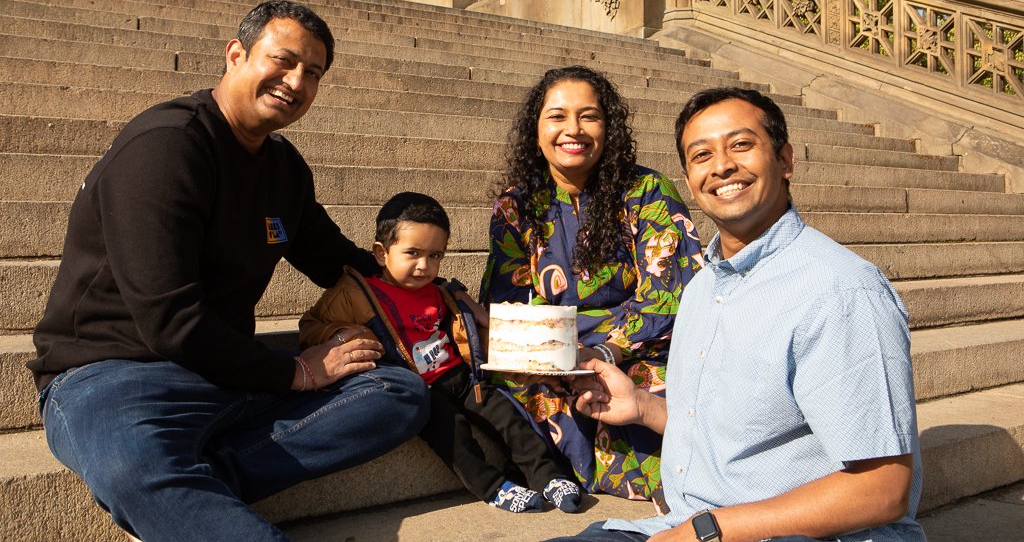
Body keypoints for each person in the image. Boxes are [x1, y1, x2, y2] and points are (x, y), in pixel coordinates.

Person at [28, 0, 430, 542]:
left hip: (225, 375)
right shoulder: (165, 148)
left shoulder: (283, 168)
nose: (295, 82)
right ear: (236, 54)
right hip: (110, 376)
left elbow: (335, 260)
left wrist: (442, 298)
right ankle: (178, 486)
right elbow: (171, 323)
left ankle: (197, 485)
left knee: (397, 392)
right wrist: (298, 373)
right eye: (283, 61)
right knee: (132, 467)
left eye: (312, 73)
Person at [549, 87, 925, 542]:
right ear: (689, 182)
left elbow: (883, 490)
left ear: (785, 160)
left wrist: (707, 531)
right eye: (701, 155)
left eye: (741, 145)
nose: (721, 166)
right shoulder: (704, 287)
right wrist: (643, 407)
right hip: (687, 525)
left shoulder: (840, 291)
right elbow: (742, 435)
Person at [479, 65, 703, 508]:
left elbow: (670, 294)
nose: (573, 130)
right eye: (557, 116)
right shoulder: (517, 206)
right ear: (536, 129)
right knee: (488, 385)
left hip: (639, 349)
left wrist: (603, 353)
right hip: (553, 356)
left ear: (609, 127)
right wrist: (553, 355)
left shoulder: (645, 191)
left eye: (589, 116)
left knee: (658, 387)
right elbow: (508, 303)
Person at [299, 192, 583, 513]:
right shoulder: (354, 294)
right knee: (455, 434)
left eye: (435, 255)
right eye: (413, 253)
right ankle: (493, 488)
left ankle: (548, 476)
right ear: (381, 253)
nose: (424, 266)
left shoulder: (441, 291)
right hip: (418, 390)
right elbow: (311, 326)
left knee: (508, 416)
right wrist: (339, 334)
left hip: (459, 376)